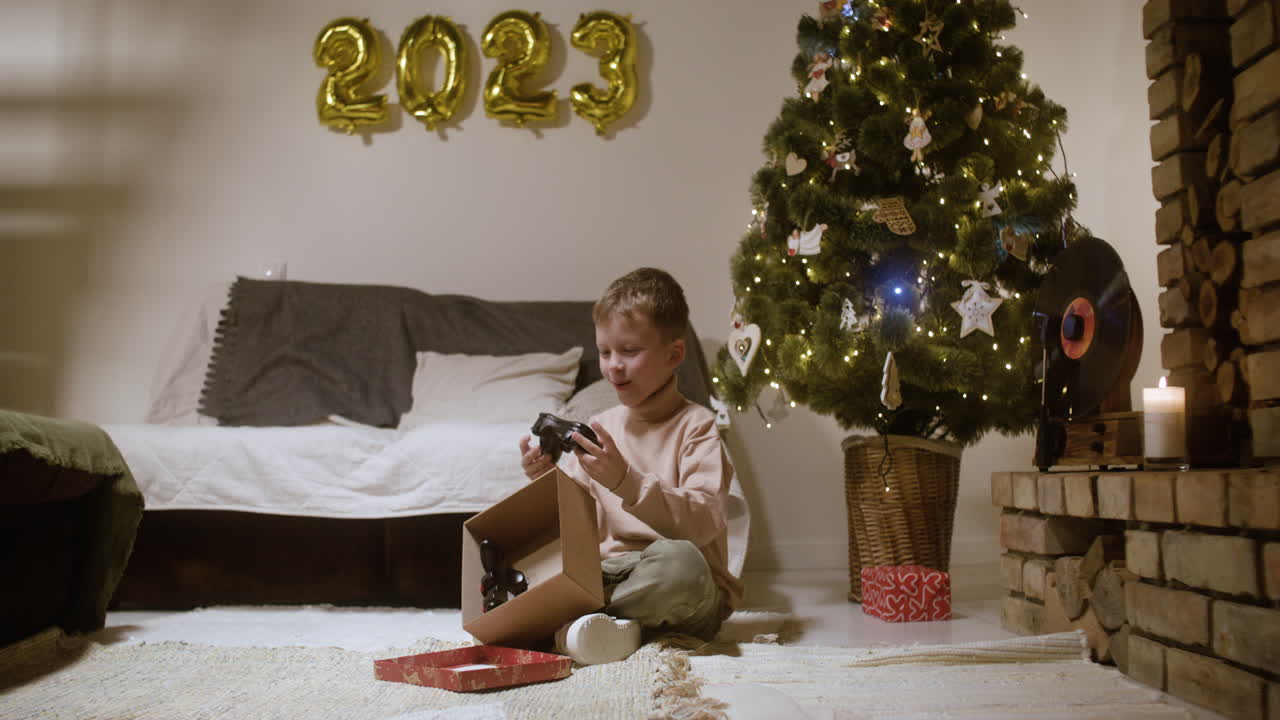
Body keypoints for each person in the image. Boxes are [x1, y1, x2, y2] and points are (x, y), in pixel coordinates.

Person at [517, 267, 741, 665]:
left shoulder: (698, 426)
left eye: (630, 352)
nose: (613, 366)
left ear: (674, 355)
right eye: (605, 352)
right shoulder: (602, 428)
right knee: (529, 573)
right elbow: (576, 524)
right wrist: (547, 479)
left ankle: (567, 627)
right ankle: (618, 630)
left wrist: (626, 482)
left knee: (682, 565)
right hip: (608, 575)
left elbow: (703, 520)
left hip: (677, 585)